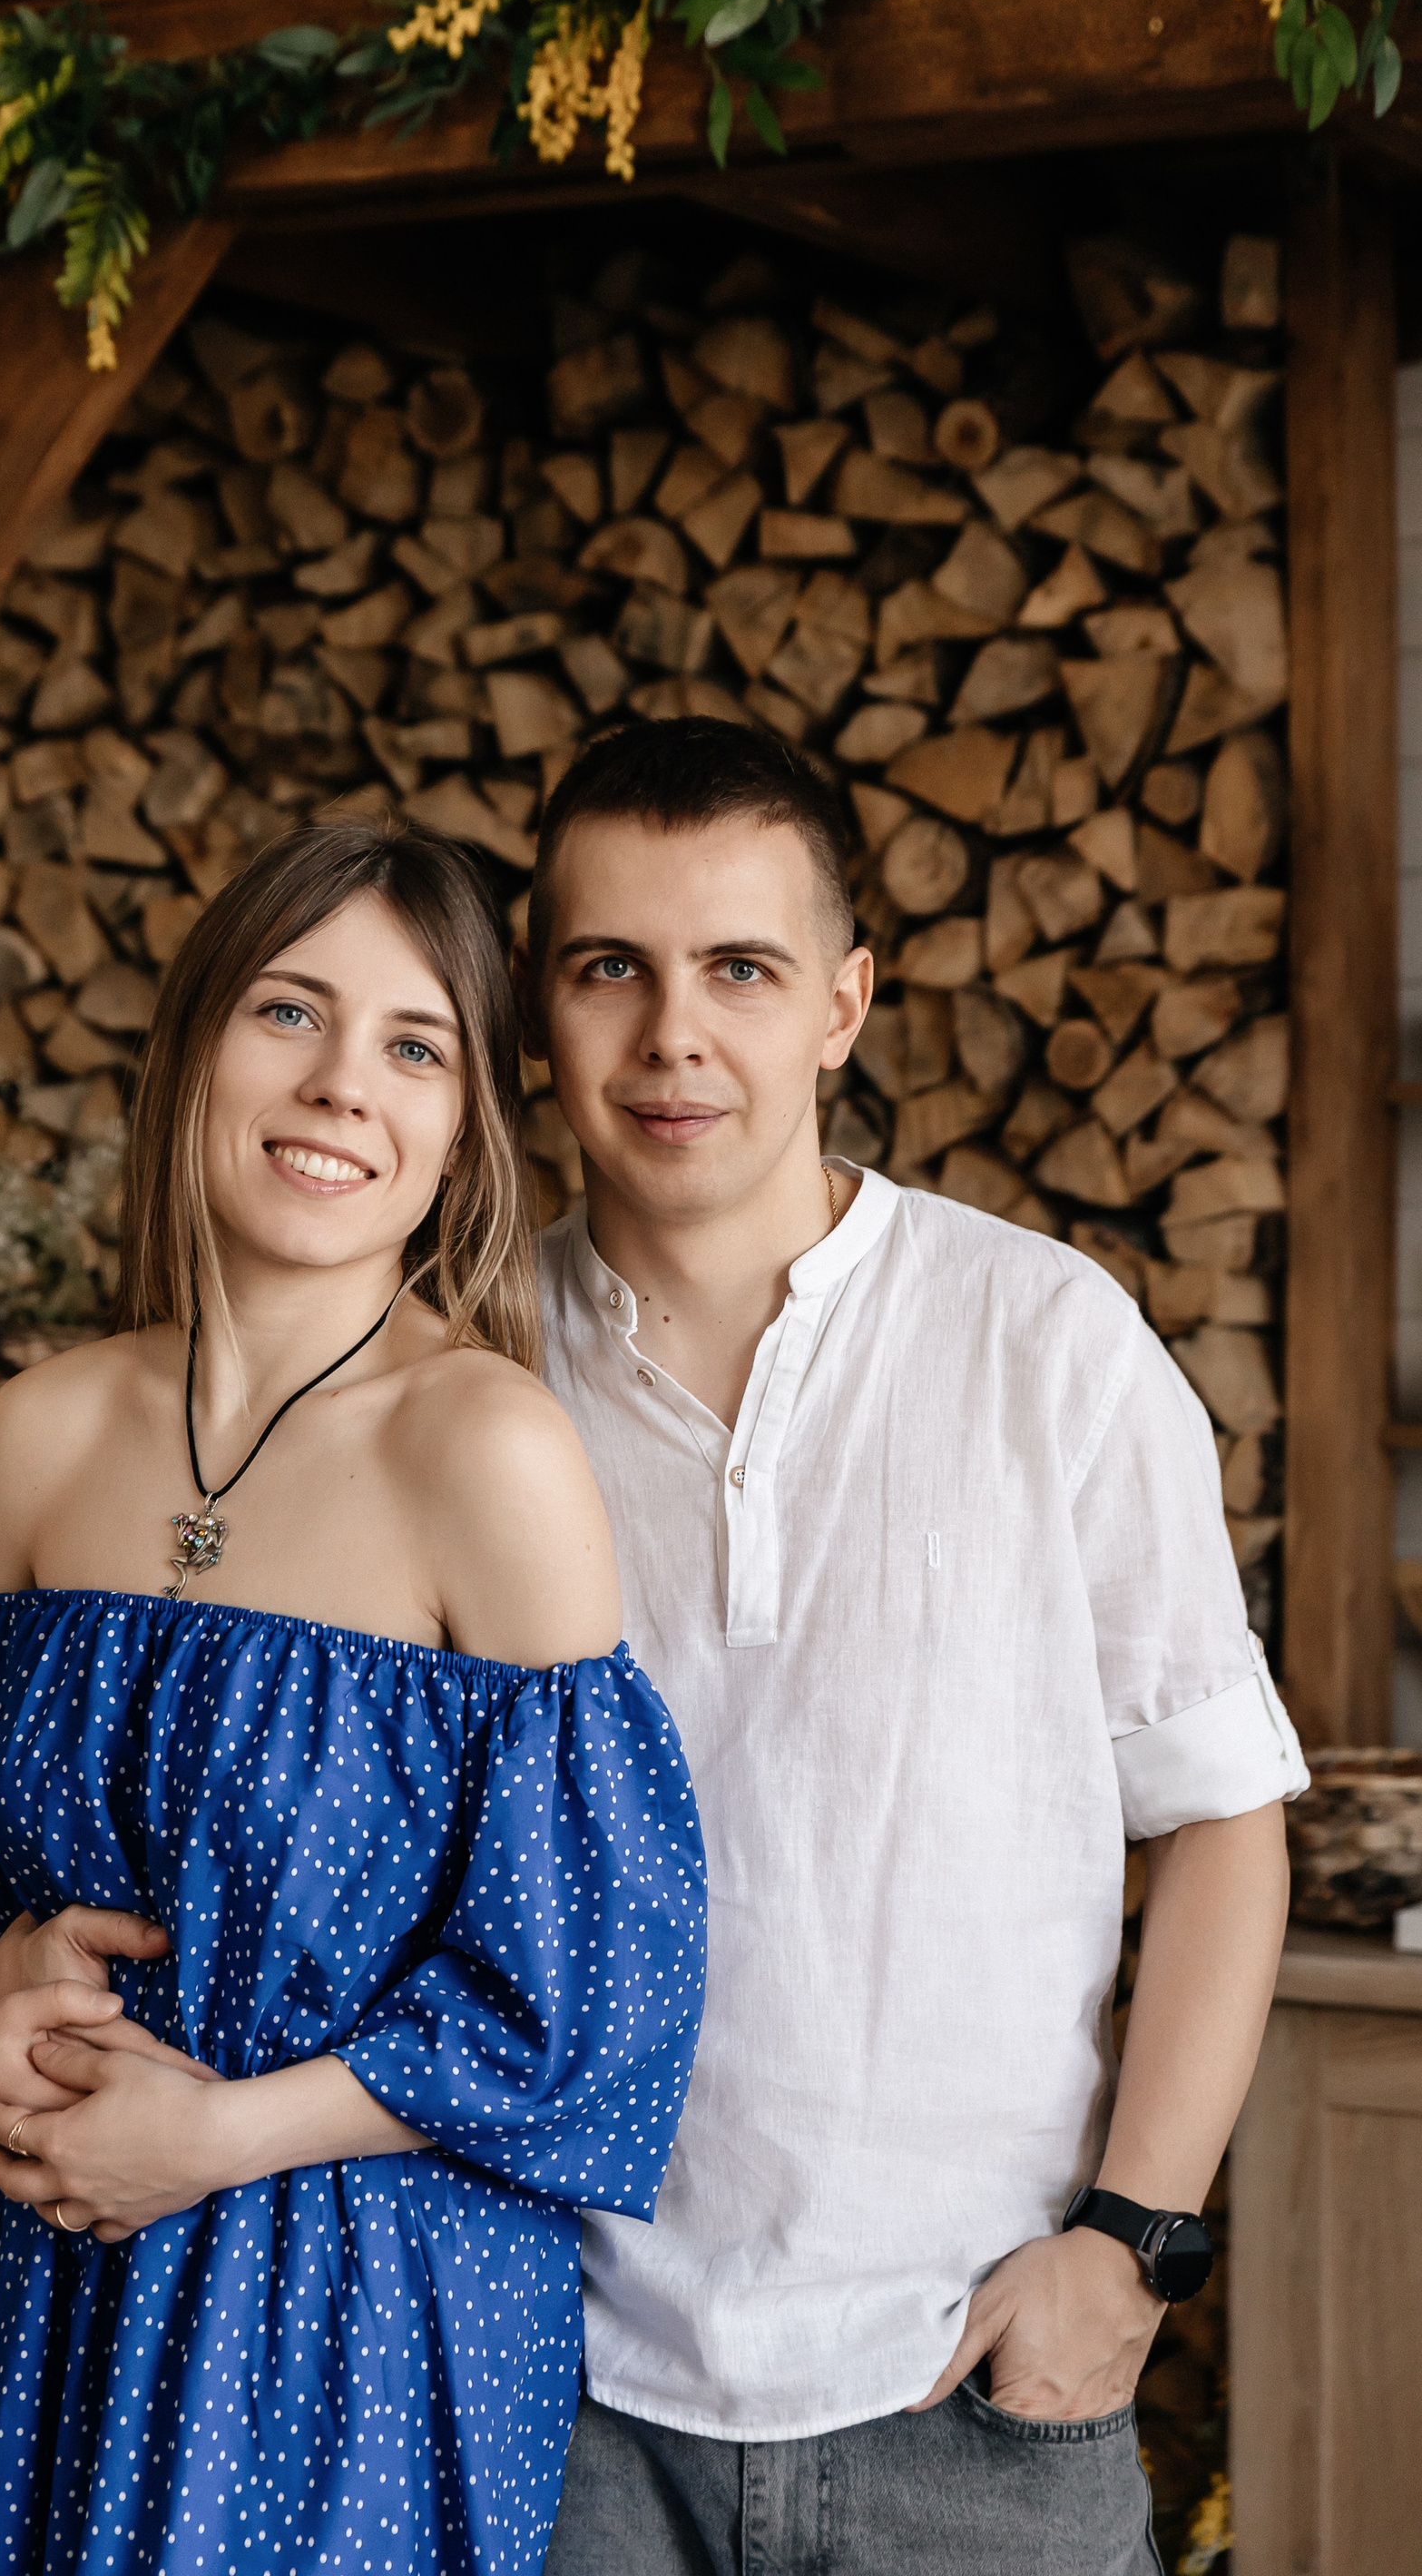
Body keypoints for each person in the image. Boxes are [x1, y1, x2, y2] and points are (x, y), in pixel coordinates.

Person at [0, 818, 707, 2576]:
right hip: (72, 2268)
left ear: (466, 1129)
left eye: (416, 1047)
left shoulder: (487, 1454)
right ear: (197, 1042)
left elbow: (591, 2004)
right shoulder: (42, 1431)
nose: (341, 1085)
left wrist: (217, 2137)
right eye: (289, 1012)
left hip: (362, 2302)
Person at [520, 718, 1306, 2576]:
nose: (673, 1035)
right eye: (610, 967)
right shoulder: (463, 1362)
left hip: (972, 2396)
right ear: (537, 1010)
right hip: (564, 2389)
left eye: (741, 968)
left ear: (843, 1005)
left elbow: (1220, 1817)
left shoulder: (1046, 1341)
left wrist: (1130, 2248)